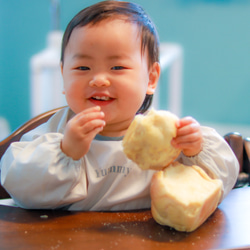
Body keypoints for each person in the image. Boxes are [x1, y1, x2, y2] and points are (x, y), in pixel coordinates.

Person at [0, 1, 238, 210]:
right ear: (63, 75)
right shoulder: (55, 133)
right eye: (82, 68)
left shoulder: (168, 139)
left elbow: (218, 184)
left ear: (151, 78)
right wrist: (65, 152)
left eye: (117, 68)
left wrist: (196, 150)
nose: (99, 79)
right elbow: (17, 184)